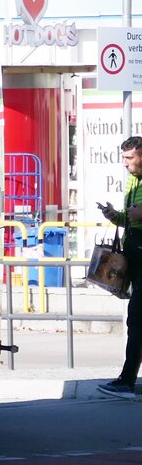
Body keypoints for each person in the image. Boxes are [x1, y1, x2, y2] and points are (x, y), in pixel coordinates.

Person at [98, 135, 142, 398]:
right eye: (123, 158)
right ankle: (126, 380)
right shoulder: (132, 181)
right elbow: (132, 220)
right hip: (135, 250)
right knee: (136, 318)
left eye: (129, 158)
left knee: (136, 318)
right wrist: (115, 216)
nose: (125, 164)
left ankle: (126, 382)